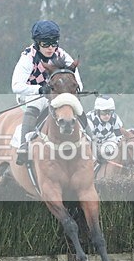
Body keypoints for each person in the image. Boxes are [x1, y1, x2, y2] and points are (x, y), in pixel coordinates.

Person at [11, 20, 83, 165]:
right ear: (37, 43)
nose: (50, 48)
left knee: (75, 106)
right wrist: (39, 89)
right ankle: (24, 145)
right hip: (31, 94)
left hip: (56, 93)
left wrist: (75, 92)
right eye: (45, 44)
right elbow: (16, 86)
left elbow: (78, 81)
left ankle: (92, 139)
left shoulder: (62, 54)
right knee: (39, 101)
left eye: (54, 43)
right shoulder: (28, 57)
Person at [86, 95, 124, 163]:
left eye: (110, 112)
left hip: (108, 141)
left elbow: (120, 137)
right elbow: (88, 141)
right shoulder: (90, 119)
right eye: (104, 112)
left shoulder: (115, 118)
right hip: (92, 144)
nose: (107, 116)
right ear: (97, 111)